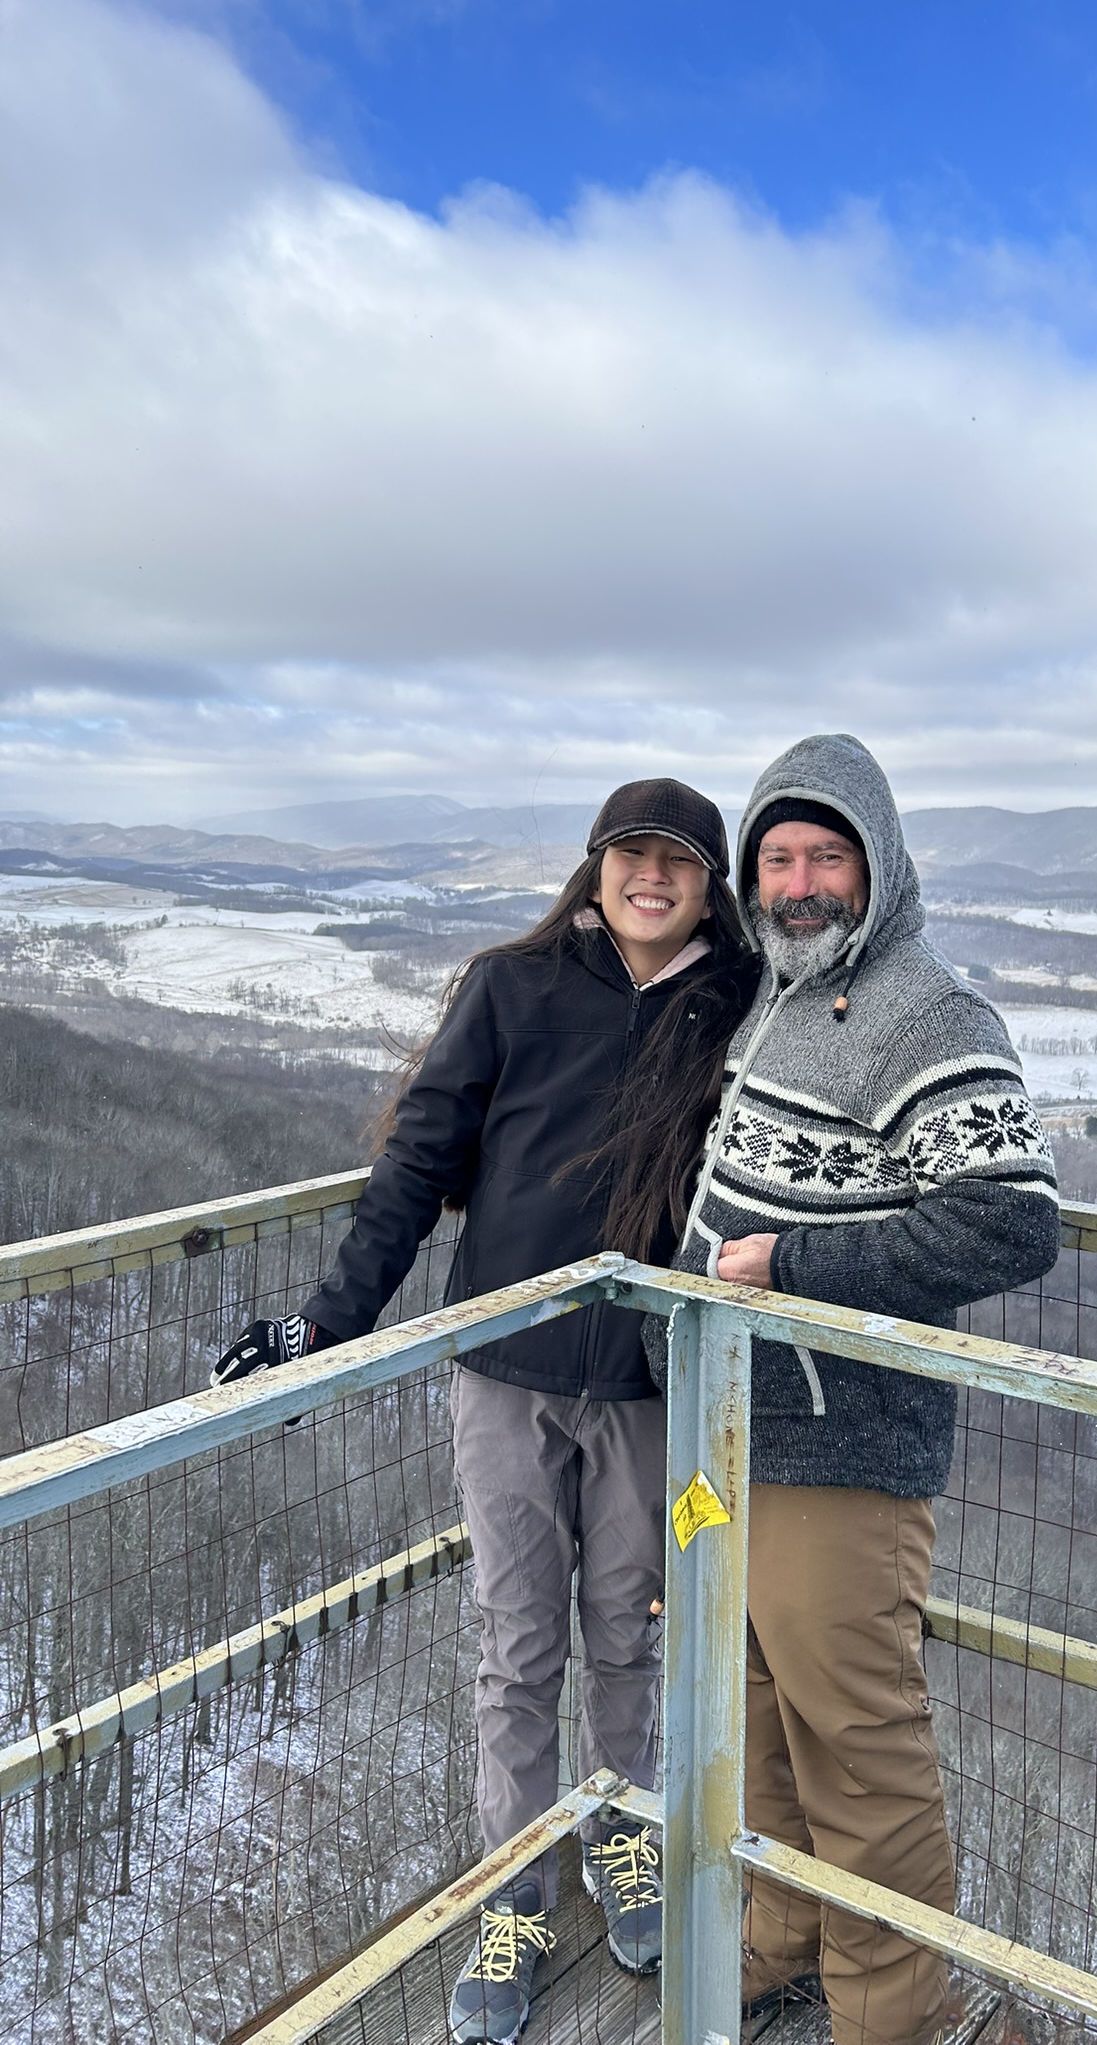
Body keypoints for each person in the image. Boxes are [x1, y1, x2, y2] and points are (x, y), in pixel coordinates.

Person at [212, 780, 755, 2045]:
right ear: (596, 866)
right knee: (518, 1648)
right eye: (632, 855)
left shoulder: (735, 1005)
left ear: (709, 884)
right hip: (502, 1373)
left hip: (645, 1382)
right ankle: (511, 1898)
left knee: (628, 1633)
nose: (652, 878)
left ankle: (620, 1836)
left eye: (679, 862)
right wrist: (327, 1324)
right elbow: (416, 1164)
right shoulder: (511, 985)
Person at [658, 734, 1060, 2045]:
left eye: (826, 854)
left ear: (876, 866)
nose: (799, 880)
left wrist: (801, 1265)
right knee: (758, 1709)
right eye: (777, 858)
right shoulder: (784, 990)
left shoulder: (928, 1013)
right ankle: (781, 1942)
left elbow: (1007, 1224)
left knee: (855, 1742)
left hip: (843, 1443)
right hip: (734, 1427)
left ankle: (898, 2012)